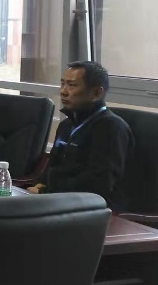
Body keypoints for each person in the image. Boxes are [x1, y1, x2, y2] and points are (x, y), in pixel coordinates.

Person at [28, 61, 133, 206]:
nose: (63, 91)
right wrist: (40, 184)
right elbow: (52, 166)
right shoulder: (67, 125)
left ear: (97, 93)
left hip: (91, 208)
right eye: (63, 84)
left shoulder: (111, 127)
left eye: (71, 85)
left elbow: (99, 184)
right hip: (57, 199)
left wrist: (46, 192)